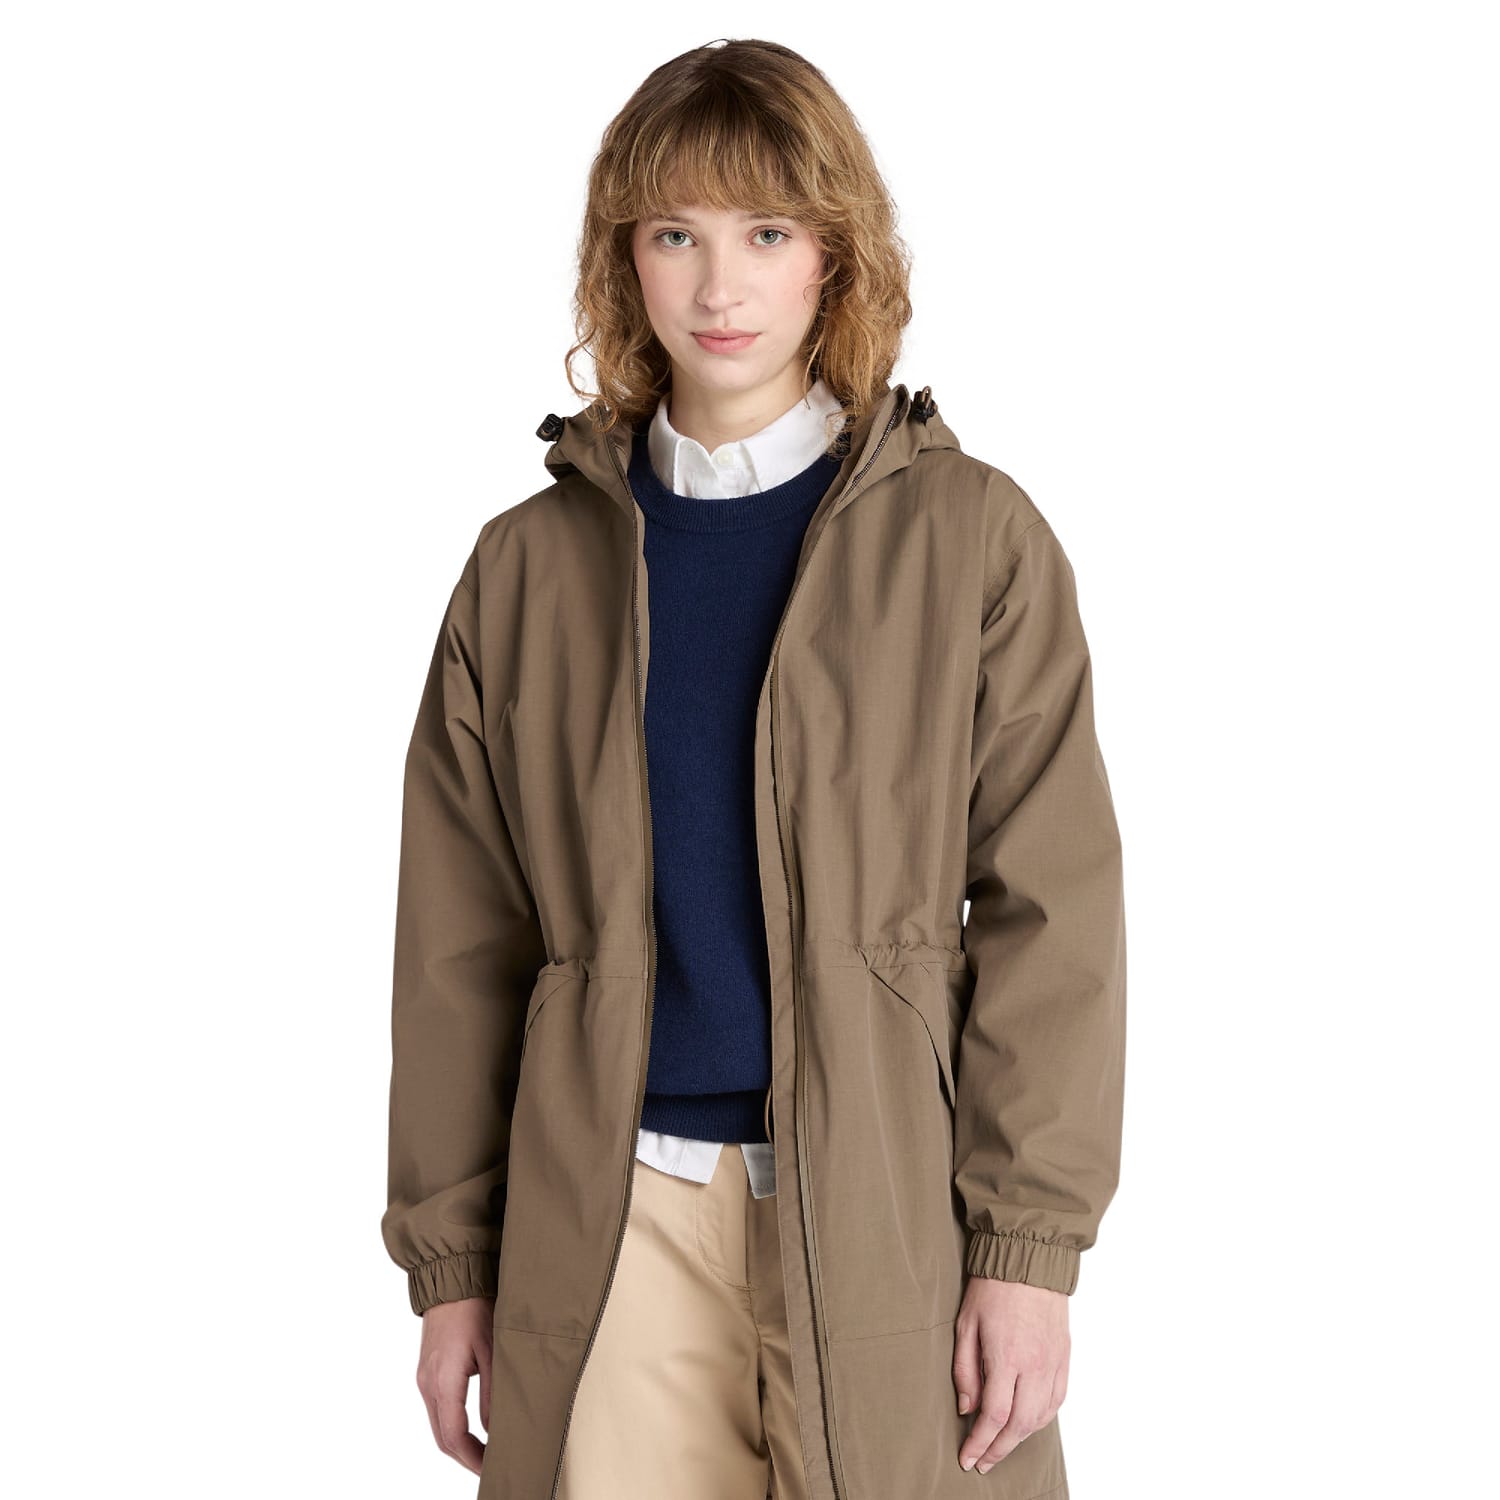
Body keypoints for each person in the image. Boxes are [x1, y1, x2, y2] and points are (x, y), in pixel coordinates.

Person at [382, 37, 1126, 1500]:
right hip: (613, 1221)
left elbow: (1054, 916)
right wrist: (455, 1264)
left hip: (887, 1211)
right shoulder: (525, 573)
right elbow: (459, 945)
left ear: (834, 256)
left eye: (767, 234)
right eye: (677, 235)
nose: (720, 287)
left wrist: (1028, 1253)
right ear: (626, 259)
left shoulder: (971, 543)